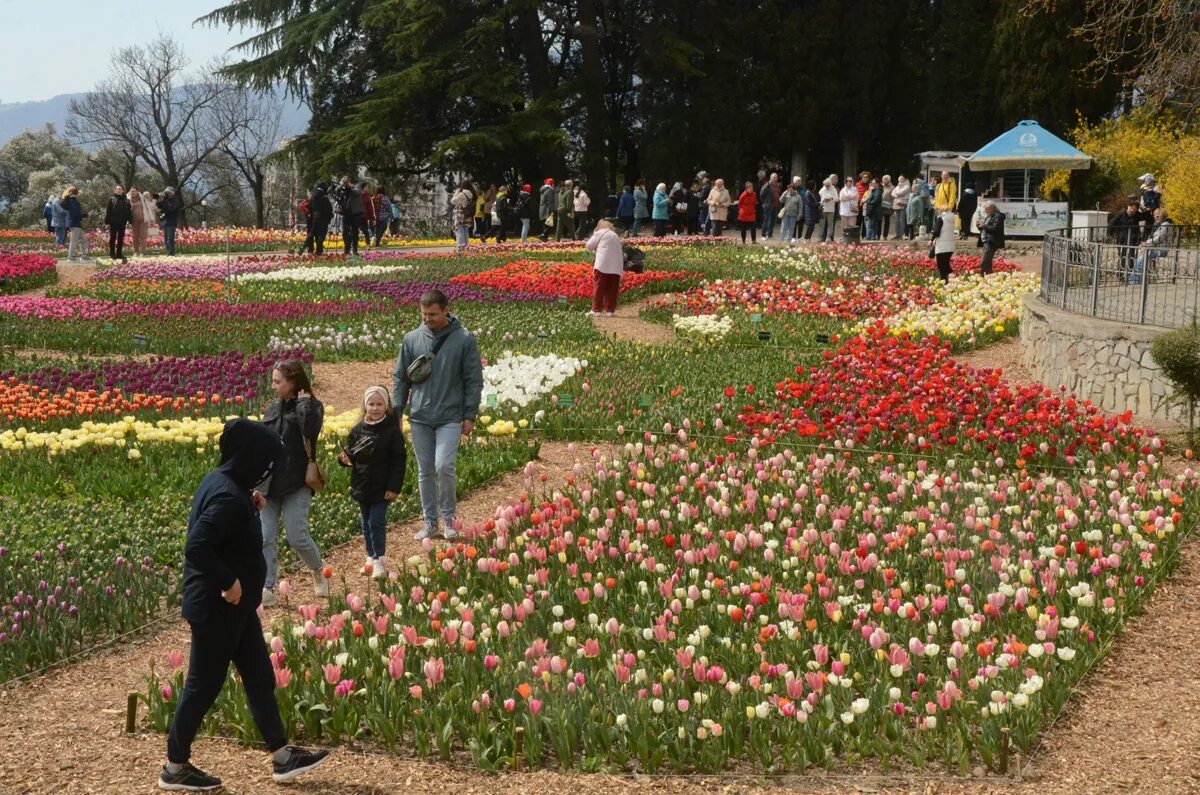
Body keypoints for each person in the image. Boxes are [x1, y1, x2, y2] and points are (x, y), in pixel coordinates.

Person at [159, 418, 331, 792]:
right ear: (249, 458)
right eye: (265, 459)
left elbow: (224, 535)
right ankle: (175, 765)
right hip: (217, 608)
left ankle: (283, 757)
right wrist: (230, 581)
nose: (269, 467)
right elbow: (198, 546)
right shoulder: (226, 496)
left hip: (237, 610)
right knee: (203, 686)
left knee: (258, 677)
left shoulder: (227, 485)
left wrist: (248, 504)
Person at [393, 289, 484, 541]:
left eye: (432, 314)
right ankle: (430, 522)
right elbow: (400, 378)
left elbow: (473, 380)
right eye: (424, 314)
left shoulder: (464, 339)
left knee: (444, 465)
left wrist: (470, 414)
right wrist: (397, 411)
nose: (427, 319)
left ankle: (449, 519)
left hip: (450, 416)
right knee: (424, 471)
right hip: (420, 415)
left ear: (446, 309)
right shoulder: (412, 339)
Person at [259, 359, 327, 607]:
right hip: (268, 484)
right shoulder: (272, 409)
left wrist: (305, 403)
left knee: (297, 536)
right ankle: (267, 587)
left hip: (297, 481)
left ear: (293, 382)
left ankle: (318, 569)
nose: (273, 386)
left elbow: (311, 431)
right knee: (265, 536)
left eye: (278, 381)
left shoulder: (312, 406)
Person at [338, 386, 406, 579]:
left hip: (382, 487)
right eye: (371, 404)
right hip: (362, 484)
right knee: (365, 523)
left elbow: (398, 461)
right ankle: (370, 556)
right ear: (365, 405)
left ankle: (379, 560)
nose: (375, 408)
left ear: (387, 406)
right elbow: (352, 454)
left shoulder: (392, 432)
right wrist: (343, 460)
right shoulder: (358, 429)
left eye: (379, 404)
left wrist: (394, 487)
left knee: (376, 522)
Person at [585, 219, 623, 317]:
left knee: (599, 287)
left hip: (603, 264)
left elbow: (589, 246)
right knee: (612, 288)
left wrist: (594, 234)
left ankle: (596, 310)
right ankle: (610, 310)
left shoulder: (599, 233)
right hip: (616, 265)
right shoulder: (615, 235)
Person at [1129, 207, 1171, 285]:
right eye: (1154, 215)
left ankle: (1133, 281)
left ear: (1163, 216)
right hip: (1154, 248)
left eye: (1158, 215)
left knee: (1141, 259)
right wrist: (1145, 243)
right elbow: (1152, 237)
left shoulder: (1166, 225)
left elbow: (1158, 238)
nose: (1155, 217)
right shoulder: (1157, 225)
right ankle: (1139, 280)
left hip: (1162, 249)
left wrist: (1146, 243)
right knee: (1141, 258)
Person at [1108, 199, 1142, 279]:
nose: (1132, 210)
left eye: (1134, 209)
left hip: (1133, 238)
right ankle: (1121, 275)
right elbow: (1112, 222)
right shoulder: (1122, 213)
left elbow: (1147, 219)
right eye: (1131, 208)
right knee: (1122, 256)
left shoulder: (1137, 215)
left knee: (1132, 256)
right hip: (1122, 238)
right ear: (1128, 207)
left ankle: (1130, 275)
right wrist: (1111, 233)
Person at [104, 185, 133, 261]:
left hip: (122, 222)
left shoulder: (127, 201)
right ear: (115, 191)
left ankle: (119, 254)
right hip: (113, 222)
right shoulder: (112, 199)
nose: (119, 190)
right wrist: (106, 222)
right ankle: (112, 254)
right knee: (113, 238)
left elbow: (129, 212)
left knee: (120, 238)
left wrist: (130, 221)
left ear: (123, 191)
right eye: (117, 189)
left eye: (120, 189)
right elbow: (108, 211)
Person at [977, 200, 1005, 276]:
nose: (985, 211)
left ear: (992, 208)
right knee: (987, 261)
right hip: (986, 240)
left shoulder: (998, 216)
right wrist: (980, 227)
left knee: (985, 261)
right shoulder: (990, 215)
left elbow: (995, 228)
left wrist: (984, 226)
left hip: (991, 241)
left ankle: (983, 276)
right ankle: (988, 276)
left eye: (986, 209)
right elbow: (987, 228)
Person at [338, 178, 364, 255]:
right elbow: (341, 198)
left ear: (349, 181)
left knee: (354, 232)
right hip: (346, 214)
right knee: (345, 232)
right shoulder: (343, 190)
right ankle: (347, 249)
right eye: (343, 183)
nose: (345, 184)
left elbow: (357, 192)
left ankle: (355, 249)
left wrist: (349, 187)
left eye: (346, 182)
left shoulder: (357, 186)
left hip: (355, 214)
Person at [62, 186, 89, 262]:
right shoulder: (73, 201)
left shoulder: (67, 201)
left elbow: (65, 206)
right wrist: (86, 215)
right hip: (74, 223)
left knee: (83, 239)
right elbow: (76, 213)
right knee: (74, 241)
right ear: (76, 193)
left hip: (74, 223)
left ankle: (84, 256)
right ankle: (71, 257)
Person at [931, 207, 957, 283]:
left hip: (942, 245)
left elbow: (937, 232)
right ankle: (950, 279)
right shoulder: (952, 219)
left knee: (941, 265)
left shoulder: (941, 218)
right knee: (946, 263)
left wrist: (931, 239)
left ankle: (944, 282)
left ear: (941, 211)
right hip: (950, 245)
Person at [308, 182, 333, 255]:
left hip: (314, 219)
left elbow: (309, 207)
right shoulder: (324, 198)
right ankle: (319, 250)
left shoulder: (313, 198)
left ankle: (310, 250)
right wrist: (329, 218)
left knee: (313, 234)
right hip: (323, 220)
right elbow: (329, 209)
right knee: (321, 235)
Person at [450, 179, 474, 253]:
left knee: (459, 231)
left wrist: (456, 193)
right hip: (467, 215)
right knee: (465, 231)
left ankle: (461, 248)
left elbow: (453, 201)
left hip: (460, 214)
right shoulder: (471, 194)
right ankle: (466, 247)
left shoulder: (462, 194)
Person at [157, 188, 180, 256]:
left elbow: (171, 209)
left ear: (172, 193)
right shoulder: (165, 201)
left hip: (172, 222)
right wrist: (159, 199)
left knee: (170, 240)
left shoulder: (175, 201)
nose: (167, 194)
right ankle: (168, 253)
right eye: (166, 193)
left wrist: (164, 201)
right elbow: (158, 206)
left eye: (169, 193)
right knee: (166, 240)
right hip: (165, 222)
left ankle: (171, 253)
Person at [759, 172, 780, 239]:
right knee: (767, 221)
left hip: (775, 205)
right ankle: (763, 234)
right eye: (774, 177)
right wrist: (765, 203)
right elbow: (761, 195)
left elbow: (779, 193)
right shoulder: (767, 185)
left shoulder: (778, 185)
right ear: (771, 178)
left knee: (773, 221)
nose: (775, 179)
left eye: (776, 177)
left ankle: (770, 234)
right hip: (768, 206)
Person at [818, 177, 838, 242]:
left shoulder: (834, 189)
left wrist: (831, 198)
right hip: (823, 209)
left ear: (830, 184)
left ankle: (829, 237)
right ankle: (820, 237)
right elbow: (819, 199)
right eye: (825, 185)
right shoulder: (821, 190)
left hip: (831, 209)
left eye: (828, 185)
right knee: (822, 224)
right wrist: (823, 200)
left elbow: (837, 199)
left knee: (830, 224)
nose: (827, 186)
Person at [880, 175, 895, 240]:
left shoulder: (892, 187)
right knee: (879, 221)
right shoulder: (880, 186)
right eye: (883, 179)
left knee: (887, 222)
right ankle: (878, 235)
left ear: (889, 180)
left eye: (886, 179)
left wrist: (892, 207)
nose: (884, 180)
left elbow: (893, 198)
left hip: (887, 207)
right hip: (879, 207)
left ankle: (885, 235)